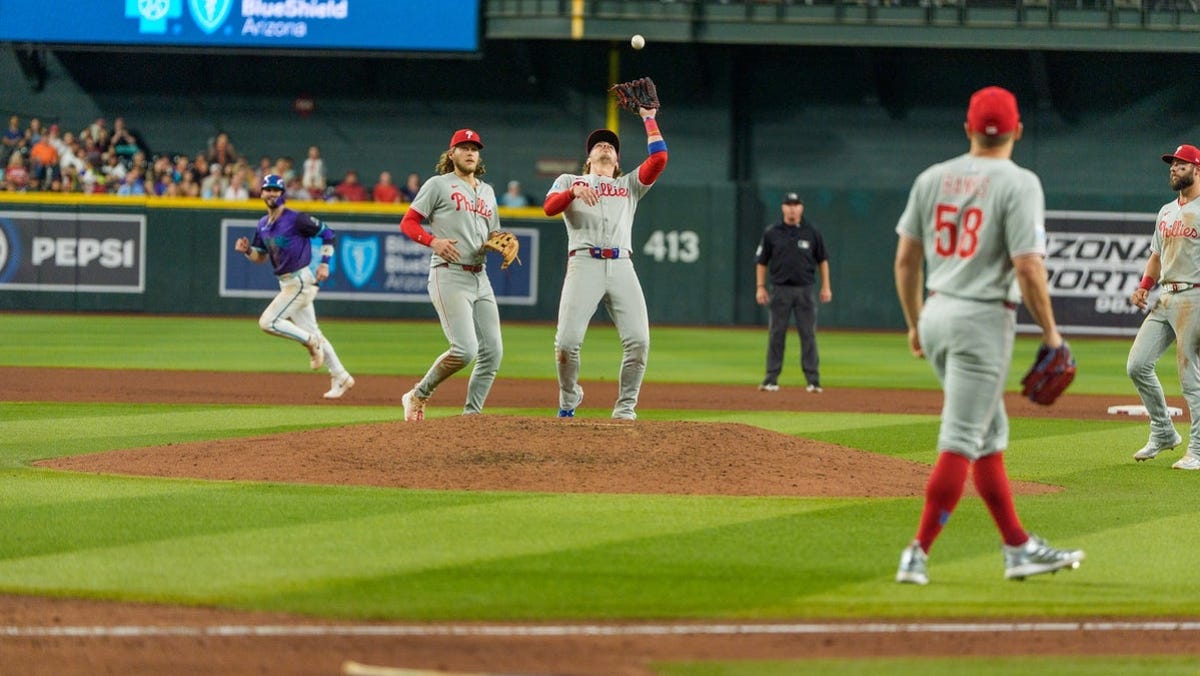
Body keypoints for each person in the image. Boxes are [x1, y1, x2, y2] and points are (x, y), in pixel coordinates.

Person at [892, 85, 1084, 585]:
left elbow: (907, 259)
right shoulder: (1020, 182)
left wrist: (915, 322)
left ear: (968, 129)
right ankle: (917, 552)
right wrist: (1052, 335)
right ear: (1018, 130)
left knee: (988, 436)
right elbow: (1028, 267)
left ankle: (1018, 547)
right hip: (981, 321)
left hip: (937, 311)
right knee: (960, 437)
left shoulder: (933, 176)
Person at [542, 106, 668, 419]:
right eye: (598, 144)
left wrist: (648, 117)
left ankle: (625, 409)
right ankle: (569, 399)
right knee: (566, 344)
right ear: (588, 160)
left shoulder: (629, 185)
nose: (605, 146)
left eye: (610, 145)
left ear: (618, 161)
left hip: (623, 264)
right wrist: (573, 190)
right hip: (584, 262)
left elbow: (659, 160)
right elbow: (548, 207)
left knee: (639, 341)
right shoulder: (569, 179)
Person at [397, 129, 504, 421]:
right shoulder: (438, 185)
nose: (470, 152)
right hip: (449, 275)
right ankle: (418, 394)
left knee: (492, 353)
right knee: (465, 349)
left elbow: (493, 233)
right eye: (464, 147)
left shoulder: (488, 191)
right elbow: (408, 223)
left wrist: (501, 241)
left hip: (481, 277)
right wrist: (433, 241)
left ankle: (471, 417)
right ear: (452, 154)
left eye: (474, 148)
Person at [234, 174, 355, 399]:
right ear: (261, 193)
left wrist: (325, 264)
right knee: (314, 330)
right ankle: (341, 376)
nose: (271, 193)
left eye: (276, 190)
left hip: (300, 280)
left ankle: (310, 342)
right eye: (267, 189)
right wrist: (247, 250)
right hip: (287, 283)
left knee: (268, 322)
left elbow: (328, 234)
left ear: (283, 194)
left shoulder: (296, 219)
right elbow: (260, 257)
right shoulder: (262, 224)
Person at [1126, 143, 1200, 470]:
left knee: (1190, 378)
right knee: (1137, 365)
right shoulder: (1166, 211)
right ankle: (1164, 431)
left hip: (1194, 297)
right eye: (1172, 164)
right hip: (1166, 296)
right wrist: (1144, 286)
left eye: (1182, 165)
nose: (1174, 169)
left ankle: (1197, 449)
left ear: (1197, 170)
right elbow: (1156, 256)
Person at [754, 192, 832, 393]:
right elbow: (761, 262)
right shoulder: (772, 232)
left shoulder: (812, 231)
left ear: (801, 208)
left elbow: (822, 260)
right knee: (776, 334)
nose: (792, 208)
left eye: (795, 204)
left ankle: (813, 381)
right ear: (783, 207)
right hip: (780, 290)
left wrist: (826, 286)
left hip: (805, 290)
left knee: (808, 335)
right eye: (788, 204)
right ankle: (771, 378)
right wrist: (760, 287)